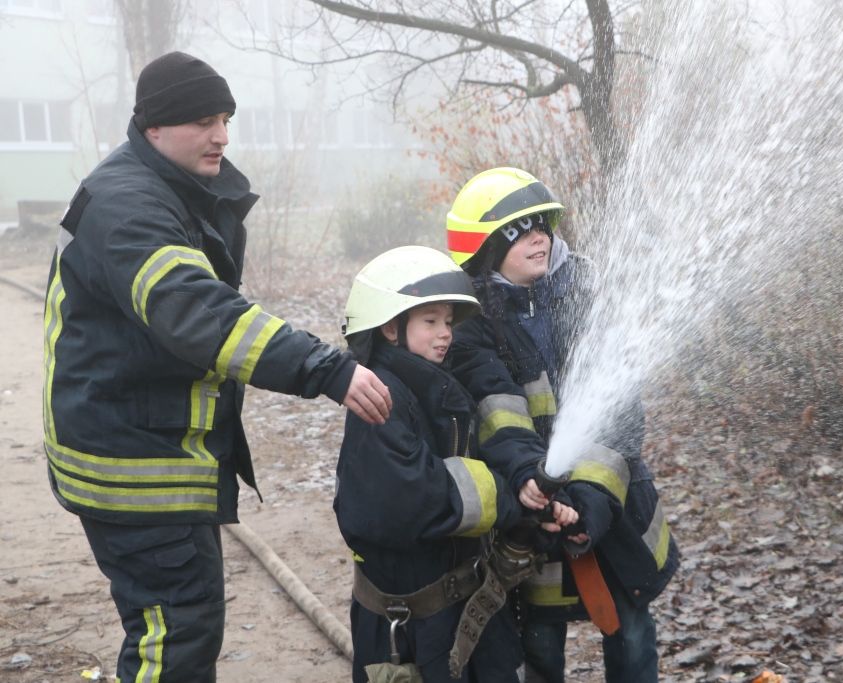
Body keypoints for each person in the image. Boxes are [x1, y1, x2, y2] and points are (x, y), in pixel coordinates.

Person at [42, 51, 391, 682]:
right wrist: (325, 369)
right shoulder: (128, 206)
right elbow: (200, 312)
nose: (223, 136)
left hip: (143, 445)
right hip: (135, 463)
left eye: (226, 118)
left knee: (181, 622)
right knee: (174, 633)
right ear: (154, 126)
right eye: (204, 120)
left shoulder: (164, 186)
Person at [445, 167, 681, 683]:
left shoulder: (587, 294)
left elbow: (621, 411)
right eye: (519, 228)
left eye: (543, 224)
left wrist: (592, 499)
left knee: (633, 634)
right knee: (540, 649)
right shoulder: (470, 327)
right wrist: (531, 477)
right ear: (484, 248)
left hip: (611, 500)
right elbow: (496, 412)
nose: (539, 235)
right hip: (534, 516)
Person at [335, 245, 578, 683]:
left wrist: (530, 494)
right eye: (430, 322)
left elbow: (475, 461)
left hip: (465, 611)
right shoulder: (381, 400)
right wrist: (512, 500)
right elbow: (421, 494)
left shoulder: (439, 387)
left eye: (448, 322)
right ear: (391, 328)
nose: (445, 333)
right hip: (413, 630)